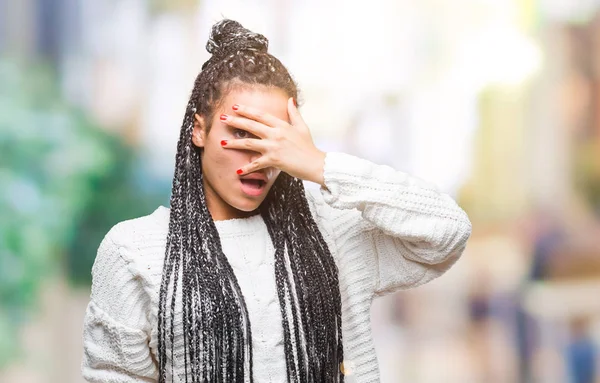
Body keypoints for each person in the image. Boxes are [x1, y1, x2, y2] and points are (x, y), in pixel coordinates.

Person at [81, 19, 472, 383]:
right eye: (241, 132)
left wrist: (319, 165)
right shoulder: (134, 250)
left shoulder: (331, 234)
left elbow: (447, 232)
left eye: (275, 139)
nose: (260, 158)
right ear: (198, 130)